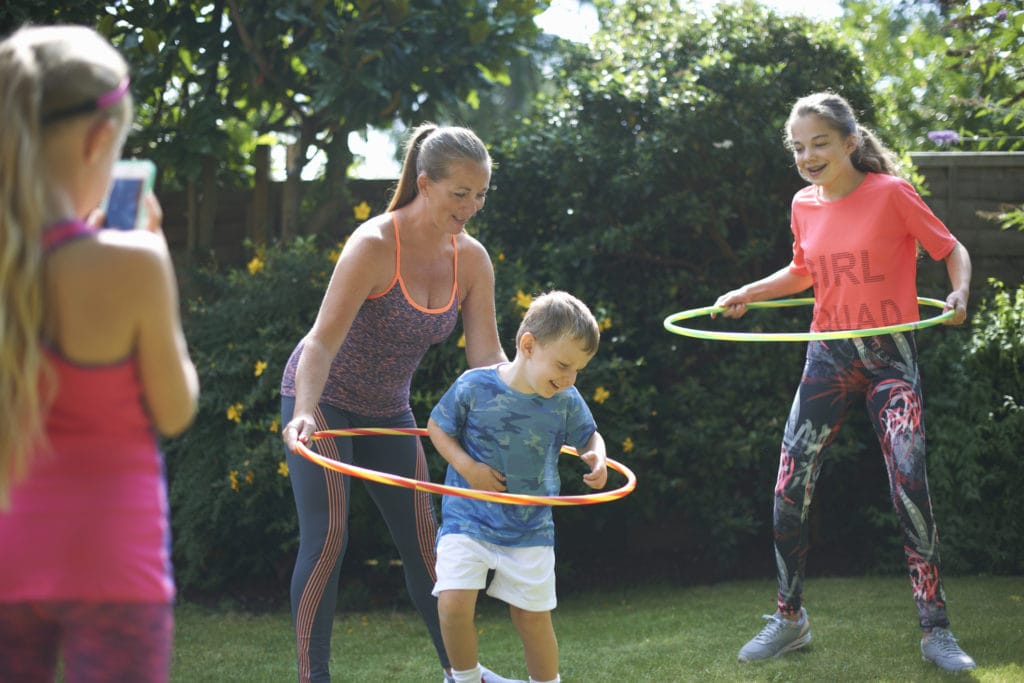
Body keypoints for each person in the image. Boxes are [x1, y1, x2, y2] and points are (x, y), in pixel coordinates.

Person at [714, 91, 975, 672]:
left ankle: (937, 631)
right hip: (827, 357)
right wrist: (748, 293)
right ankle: (789, 619)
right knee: (788, 485)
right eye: (799, 147)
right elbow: (804, 271)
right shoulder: (803, 204)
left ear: (851, 142)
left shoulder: (891, 194)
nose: (808, 156)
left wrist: (958, 291)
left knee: (909, 483)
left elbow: (950, 248)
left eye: (820, 144)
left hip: (890, 358)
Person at [280, 123, 520, 683]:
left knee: (428, 547)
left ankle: (462, 673)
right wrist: (302, 413)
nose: (472, 205)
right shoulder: (373, 245)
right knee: (328, 538)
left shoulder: (473, 260)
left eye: (480, 193)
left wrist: (536, 392)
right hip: (322, 399)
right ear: (424, 183)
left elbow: (486, 361)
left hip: (388, 407)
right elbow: (320, 342)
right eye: (460, 193)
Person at [0, 25, 199, 683]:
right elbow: (174, 409)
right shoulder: (132, 264)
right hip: (115, 565)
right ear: (97, 141)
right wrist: (154, 253)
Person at [427, 290, 609, 683]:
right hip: (468, 517)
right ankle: (464, 677)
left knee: (532, 618)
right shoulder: (474, 386)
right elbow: (437, 427)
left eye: (577, 370)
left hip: (529, 525)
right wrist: (467, 467)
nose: (568, 378)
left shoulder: (565, 400)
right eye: (562, 365)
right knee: (453, 603)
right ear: (528, 345)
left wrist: (597, 455)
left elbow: (590, 436)